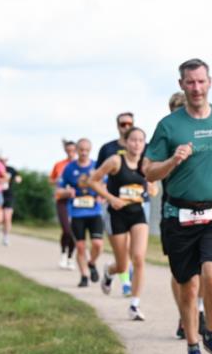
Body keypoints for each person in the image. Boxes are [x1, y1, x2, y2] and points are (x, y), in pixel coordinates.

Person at [144, 58, 212, 354]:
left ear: (210, 82)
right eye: (190, 82)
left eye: (201, 81)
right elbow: (148, 170)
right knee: (187, 287)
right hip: (178, 215)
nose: (196, 88)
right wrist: (173, 160)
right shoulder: (169, 126)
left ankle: (211, 334)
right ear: (181, 85)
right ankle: (192, 348)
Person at [91, 126, 150, 320]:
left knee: (139, 258)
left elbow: (153, 185)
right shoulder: (116, 161)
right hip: (117, 215)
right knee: (123, 265)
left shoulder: (146, 163)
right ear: (125, 142)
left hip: (137, 214)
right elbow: (93, 181)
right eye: (133, 140)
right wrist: (111, 198)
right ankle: (109, 271)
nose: (137, 144)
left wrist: (152, 188)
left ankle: (134, 305)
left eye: (141, 140)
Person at [97, 111, 158, 296]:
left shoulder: (145, 149)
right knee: (123, 254)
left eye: (129, 123)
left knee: (137, 252)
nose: (126, 126)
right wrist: (108, 197)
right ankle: (115, 272)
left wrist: (153, 187)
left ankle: (131, 291)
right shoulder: (108, 149)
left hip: (141, 204)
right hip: (117, 207)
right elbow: (97, 177)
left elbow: (152, 175)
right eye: (123, 124)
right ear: (118, 126)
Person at [168, 90, 206, 340]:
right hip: (175, 211)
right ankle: (185, 313)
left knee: (204, 267)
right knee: (181, 272)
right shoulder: (167, 135)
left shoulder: (203, 136)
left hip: (205, 209)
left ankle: (198, 310)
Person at [59, 138, 104, 287]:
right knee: (80, 247)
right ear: (76, 150)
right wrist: (67, 191)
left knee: (97, 244)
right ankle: (84, 276)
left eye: (86, 150)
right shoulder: (69, 168)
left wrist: (101, 194)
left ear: (90, 150)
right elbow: (59, 190)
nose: (84, 153)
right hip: (77, 213)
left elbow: (106, 185)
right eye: (81, 150)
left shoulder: (97, 166)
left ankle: (91, 263)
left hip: (94, 212)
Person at [49, 140, 77, 269]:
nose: (71, 153)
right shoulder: (59, 165)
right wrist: (59, 180)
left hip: (77, 201)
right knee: (66, 229)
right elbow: (51, 180)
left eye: (73, 150)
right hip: (62, 199)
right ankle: (63, 254)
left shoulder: (80, 165)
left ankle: (71, 257)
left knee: (74, 231)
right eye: (68, 150)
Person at [0, 157, 22, 246]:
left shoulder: (10, 169)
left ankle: (6, 237)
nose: (3, 161)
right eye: (1, 160)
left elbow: (18, 176)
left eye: (5, 160)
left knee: (7, 218)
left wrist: (18, 179)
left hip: (8, 196)